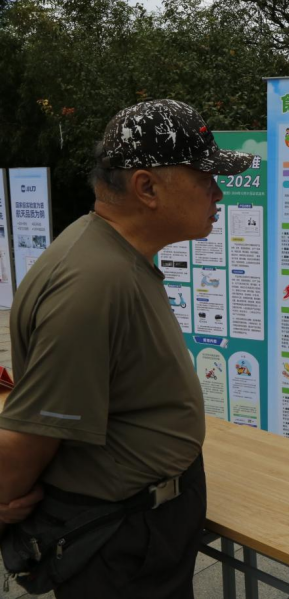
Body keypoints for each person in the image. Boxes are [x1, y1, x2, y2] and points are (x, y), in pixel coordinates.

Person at [0, 99, 253, 598]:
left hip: (141, 528)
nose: (218, 192)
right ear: (147, 187)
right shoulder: (93, 283)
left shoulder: (114, 257)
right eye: (205, 178)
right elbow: (28, 436)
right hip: (119, 544)